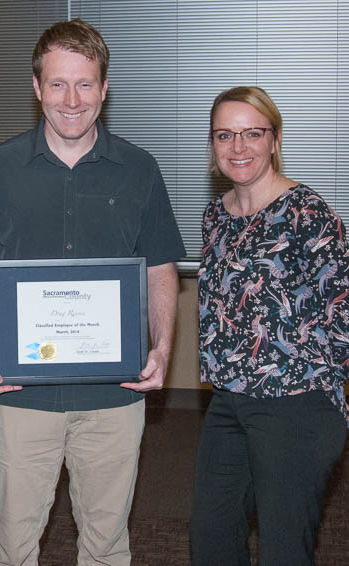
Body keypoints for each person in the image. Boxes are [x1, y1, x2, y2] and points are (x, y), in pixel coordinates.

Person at [0, 18, 185, 566]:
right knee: (12, 547)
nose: (71, 99)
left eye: (84, 84)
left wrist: (163, 346)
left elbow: (159, 267)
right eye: (57, 84)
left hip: (114, 398)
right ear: (37, 88)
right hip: (20, 397)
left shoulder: (141, 170)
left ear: (104, 87)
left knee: (106, 547)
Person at [191, 86, 349, 566]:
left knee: (283, 546)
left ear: (274, 140)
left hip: (296, 404)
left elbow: (342, 321)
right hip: (228, 400)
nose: (238, 147)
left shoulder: (308, 213)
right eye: (225, 135)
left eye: (251, 134)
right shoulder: (215, 216)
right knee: (210, 535)